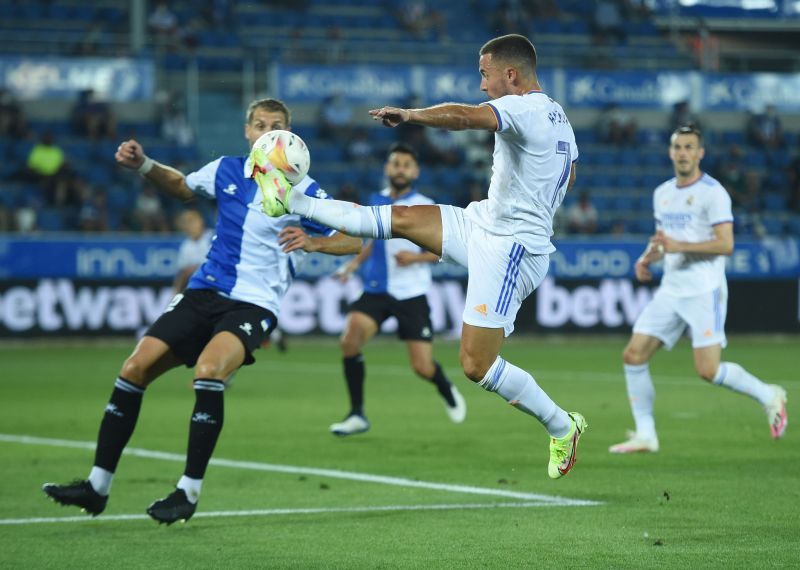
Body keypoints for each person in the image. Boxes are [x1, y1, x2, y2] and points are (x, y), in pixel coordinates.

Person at [251, 34, 587, 479]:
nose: (482, 86)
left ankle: (562, 425)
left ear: (511, 74)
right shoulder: (558, 115)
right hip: (486, 222)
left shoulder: (522, 107)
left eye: (485, 75)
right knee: (401, 218)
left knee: (475, 365)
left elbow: (466, 118)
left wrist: (410, 115)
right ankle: (291, 200)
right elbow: (571, 172)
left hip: (513, 250)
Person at [41, 98, 361, 524]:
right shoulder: (226, 169)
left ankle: (187, 492)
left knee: (209, 371)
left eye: (277, 125)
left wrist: (317, 243)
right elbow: (181, 187)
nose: (267, 131)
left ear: (289, 134)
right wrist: (143, 165)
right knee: (134, 369)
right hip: (202, 292)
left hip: (253, 302)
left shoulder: (303, 188)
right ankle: (97, 487)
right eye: (260, 124)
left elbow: (354, 238)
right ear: (248, 132)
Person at [609, 125, 788, 454]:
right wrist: (647, 258)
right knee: (633, 355)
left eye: (689, 147)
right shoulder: (662, 193)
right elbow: (664, 241)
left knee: (708, 370)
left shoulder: (713, 193)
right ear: (670, 152)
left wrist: (678, 245)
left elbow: (726, 245)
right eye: (677, 147)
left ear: (700, 153)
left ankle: (769, 395)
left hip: (704, 290)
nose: (683, 153)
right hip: (671, 288)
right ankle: (646, 435)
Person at [319, 143, 467, 436]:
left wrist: (415, 257)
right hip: (377, 290)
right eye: (395, 163)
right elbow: (370, 240)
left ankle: (445, 387)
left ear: (415, 171)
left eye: (406, 164)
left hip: (411, 293)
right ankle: (357, 414)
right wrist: (351, 267)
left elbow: (445, 250)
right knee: (349, 341)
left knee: (422, 367)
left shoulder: (427, 205)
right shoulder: (376, 200)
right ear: (387, 169)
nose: (400, 169)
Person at [172, 209, 214, 295]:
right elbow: (182, 273)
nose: (191, 227)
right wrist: (175, 293)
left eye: (193, 222)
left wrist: (195, 268)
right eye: (187, 224)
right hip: (195, 286)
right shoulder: (186, 246)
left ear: (201, 222)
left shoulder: (212, 237)